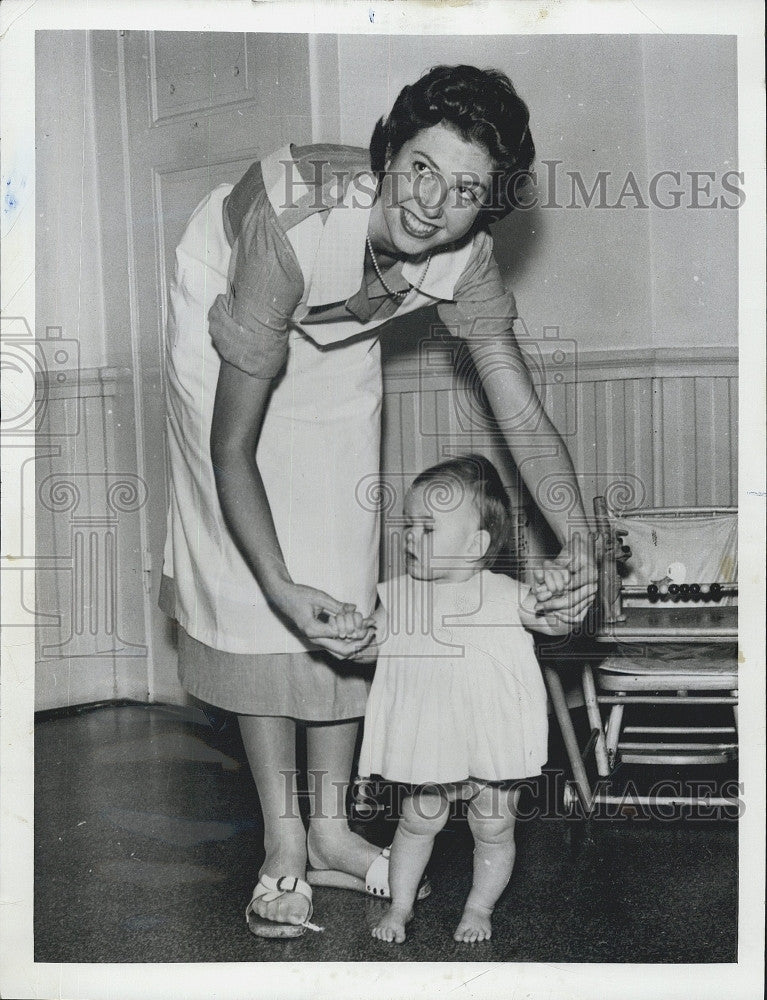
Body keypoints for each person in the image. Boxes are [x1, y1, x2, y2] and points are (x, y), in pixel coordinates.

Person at [160, 64, 596, 938]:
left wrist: (576, 548)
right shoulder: (293, 227)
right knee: (260, 587)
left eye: (465, 189)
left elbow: (516, 407)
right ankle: (286, 847)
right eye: (421, 169)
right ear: (387, 152)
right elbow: (232, 450)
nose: (433, 205)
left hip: (341, 326)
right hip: (235, 292)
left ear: (487, 208)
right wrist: (280, 590)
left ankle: (330, 827)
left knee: (342, 562)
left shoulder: (462, 259)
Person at [346, 455, 580, 944]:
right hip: (433, 743)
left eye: (427, 528)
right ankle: (401, 905)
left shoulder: (506, 593)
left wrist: (560, 592)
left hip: (494, 742)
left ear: (476, 544)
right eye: (409, 524)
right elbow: (370, 647)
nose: (411, 535)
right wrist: (353, 632)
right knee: (415, 824)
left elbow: (557, 623)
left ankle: (479, 907)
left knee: (494, 830)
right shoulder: (401, 597)